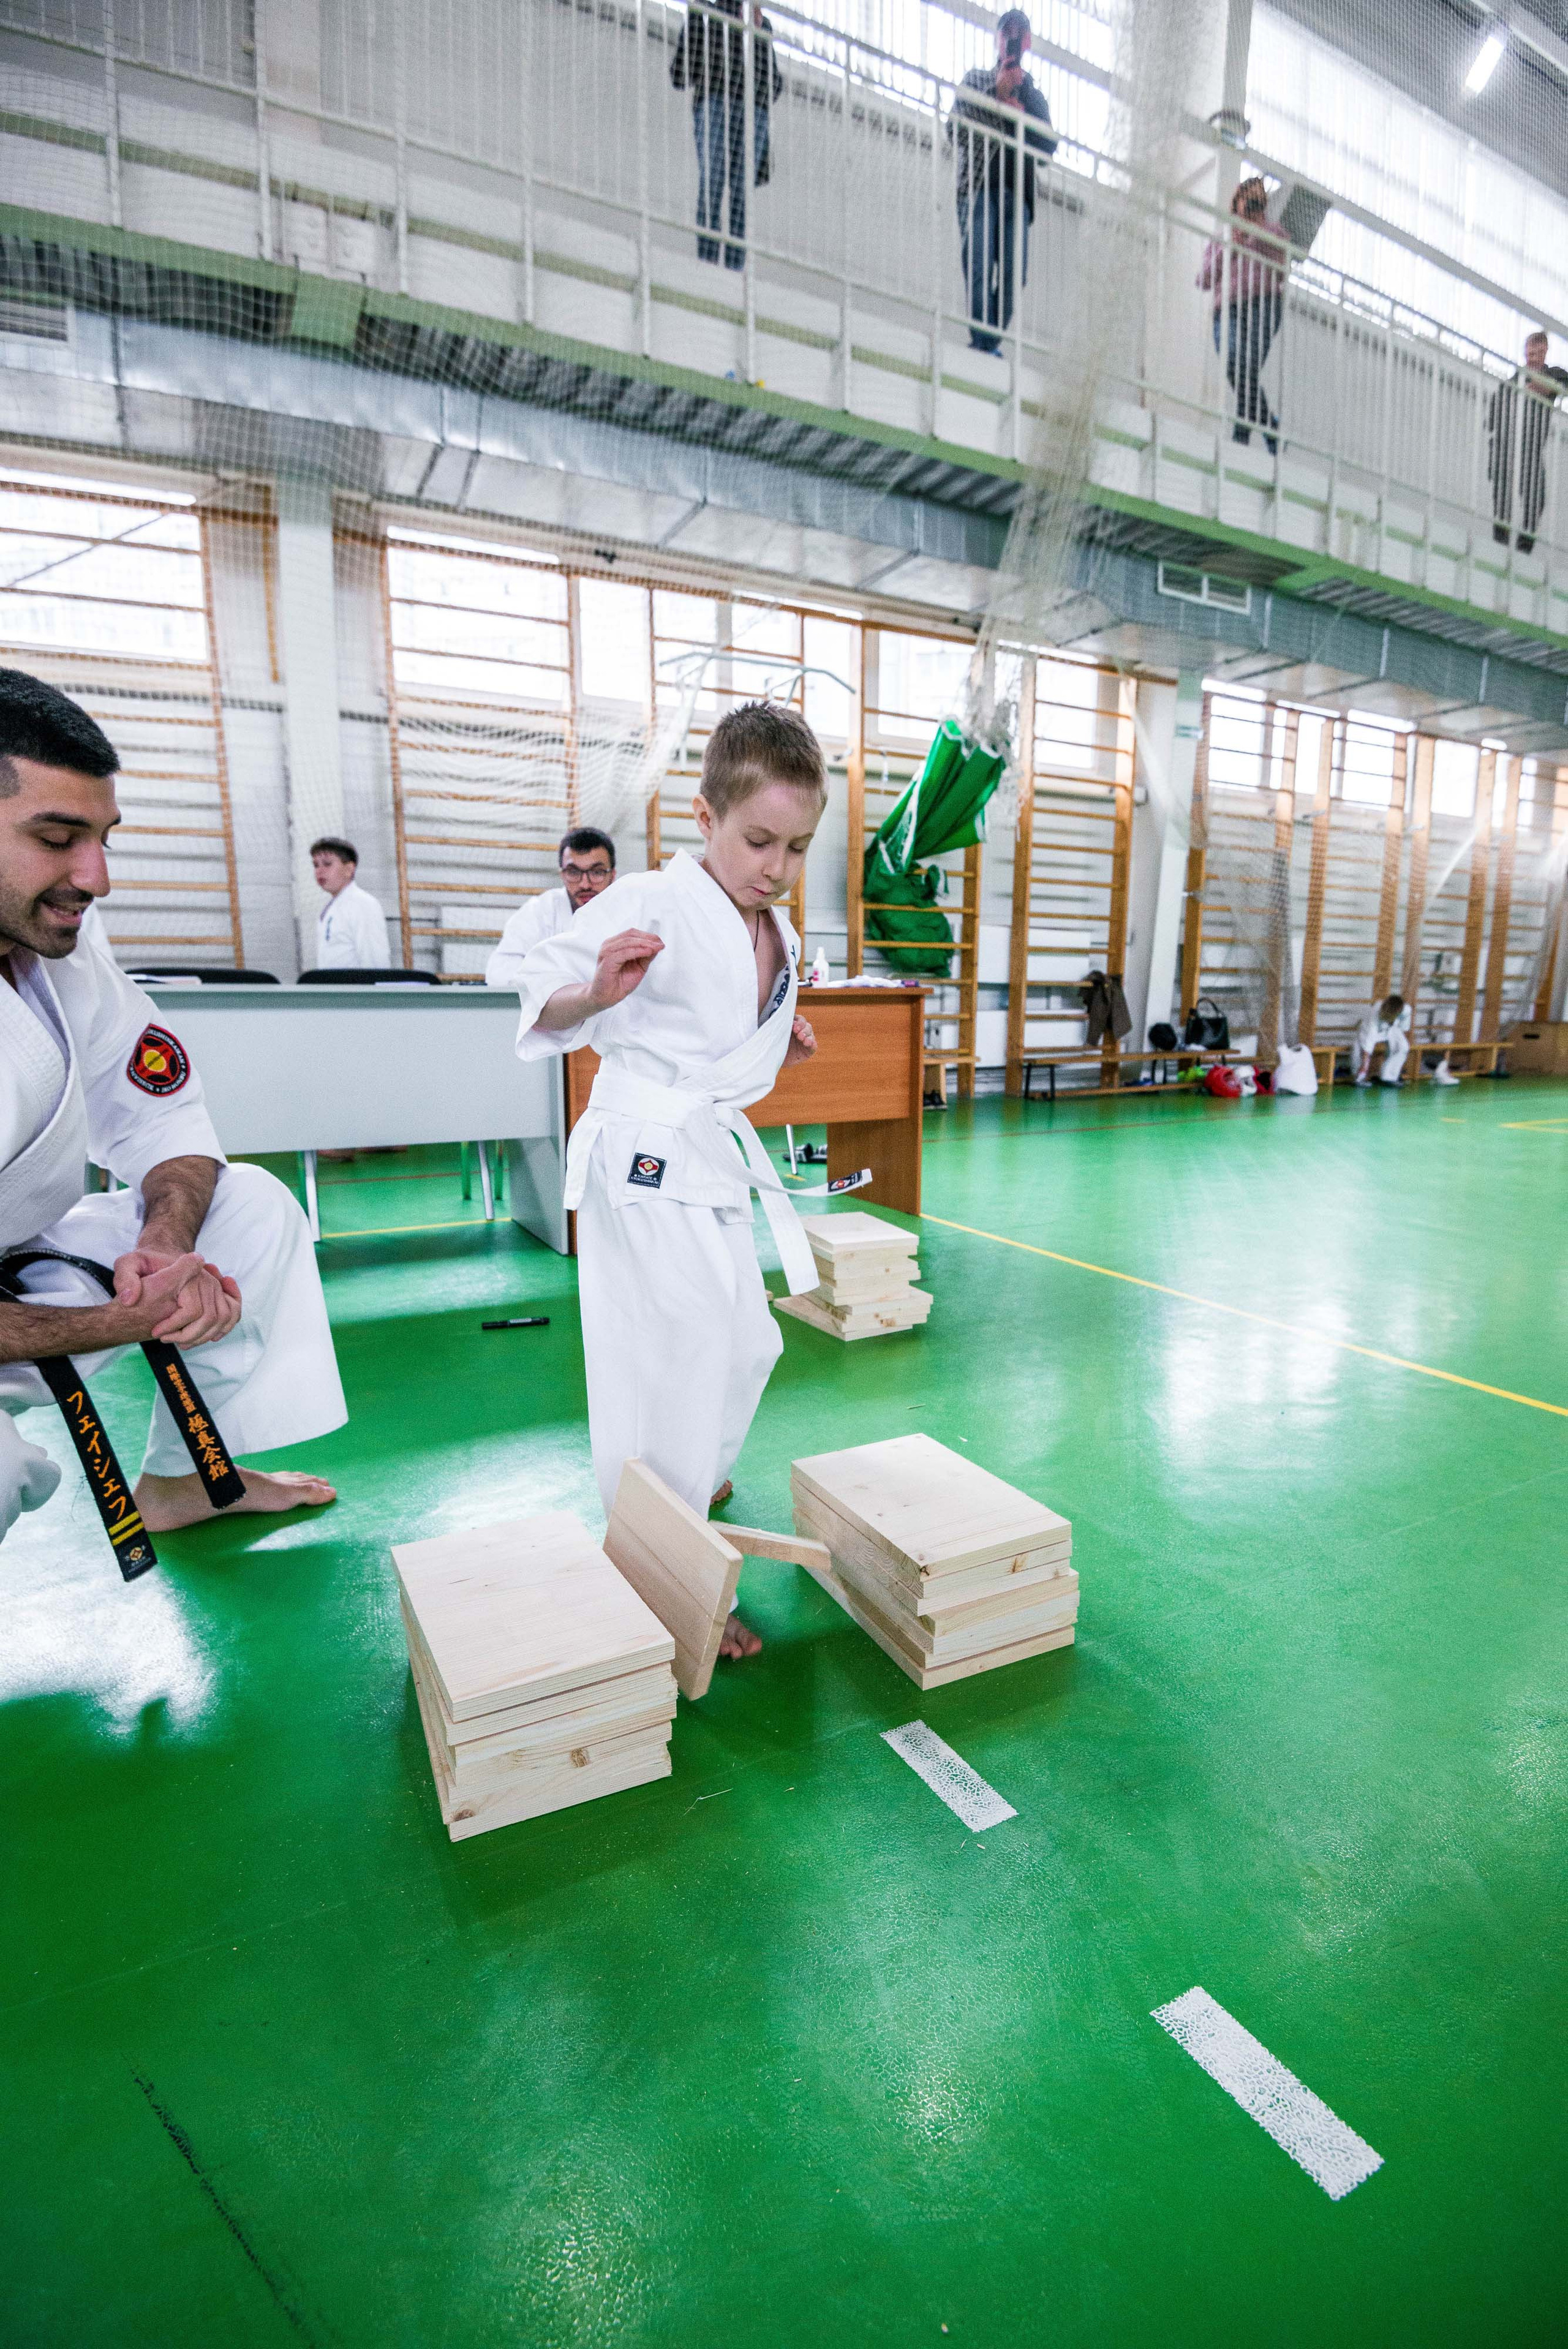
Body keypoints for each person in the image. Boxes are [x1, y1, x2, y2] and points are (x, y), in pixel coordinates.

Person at [0, 668, 344, 1548]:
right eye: (57, 836)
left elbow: (160, 1115)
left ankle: (187, 1477)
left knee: (250, 1208)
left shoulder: (58, 938)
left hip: (21, 1267)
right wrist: (131, 1317)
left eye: (103, 837)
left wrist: (163, 1247)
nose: (96, 876)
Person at [512, 702, 826, 1661]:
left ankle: (688, 1484)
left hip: (704, 1150)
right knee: (677, 1346)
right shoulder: (647, 895)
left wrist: (779, 1033)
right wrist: (596, 994)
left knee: (747, 1338)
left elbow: (731, 1016)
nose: (775, 865)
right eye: (758, 838)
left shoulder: (774, 926)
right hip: (645, 1149)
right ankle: (661, 1563)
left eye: (798, 846)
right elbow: (543, 990)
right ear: (705, 815)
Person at [949, 10, 1057, 356]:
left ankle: (987, 345)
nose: (1012, 39)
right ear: (997, 38)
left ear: (1026, 42)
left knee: (1014, 281)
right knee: (979, 269)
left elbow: (1048, 147)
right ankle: (983, 347)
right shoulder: (977, 80)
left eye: (1018, 34)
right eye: (1006, 32)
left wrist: (1020, 110)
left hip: (1017, 196)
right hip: (978, 188)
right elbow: (954, 129)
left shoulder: (1034, 95)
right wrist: (996, 98)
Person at [670, 0, 783, 271]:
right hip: (715, 104)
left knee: (740, 194)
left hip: (752, 112)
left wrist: (757, 36)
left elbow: (774, 86)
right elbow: (681, 73)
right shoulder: (705, 12)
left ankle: (733, 269)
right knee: (714, 181)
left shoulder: (760, 23)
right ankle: (708, 264)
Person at [1198, 177, 1286, 451]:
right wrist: (1231, 245)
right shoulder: (1223, 236)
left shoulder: (1273, 233)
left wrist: (1258, 232)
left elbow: (1282, 265)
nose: (1252, 206)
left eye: (1258, 201)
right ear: (1236, 203)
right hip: (1227, 310)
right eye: (1247, 200)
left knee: (1246, 369)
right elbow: (1204, 279)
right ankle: (1269, 426)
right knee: (1236, 362)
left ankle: (1242, 433)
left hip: (1264, 305)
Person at [485, 828, 617, 988]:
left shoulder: (630, 912)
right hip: (556, 1008)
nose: (585, 884)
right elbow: (500, 972)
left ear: (613, 875)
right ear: (562, 875)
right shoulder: (539, 911)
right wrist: (558, 991)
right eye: (573, 872)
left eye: (597, 872)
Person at [1487, 331, 1568, 552]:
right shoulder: (1514, 380)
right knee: (1502, 493)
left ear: (1545, 351)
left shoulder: (1553, 374)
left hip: (1531, 448)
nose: (1531, 358)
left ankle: (1524, 547)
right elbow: (1494, 414)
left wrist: (1546, 387)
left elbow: (1565, 383)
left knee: (1536, 499)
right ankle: (1500, 543)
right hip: (1506, 445)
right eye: (1529, 354)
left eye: (1536, 353)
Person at [312, 835, 391, 970]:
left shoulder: (364, 904)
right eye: (316, 865)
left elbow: (376, 962)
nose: (319, 870)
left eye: (327, 864)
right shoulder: (330, 908)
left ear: (349, 869)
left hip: (356, 990)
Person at [1351, 993, 1411, 1087]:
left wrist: (1392, 1047)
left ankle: (1389, 1077)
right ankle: (1359, 1077)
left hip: (1392, 1028)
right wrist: (1364, 1063)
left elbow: (1403, 1029)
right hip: (1371, 1029)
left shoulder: (1407, 1010)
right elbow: (1368, 1041)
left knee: (1403, 1047)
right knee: (1359, 1049)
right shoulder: (1374, 1015)